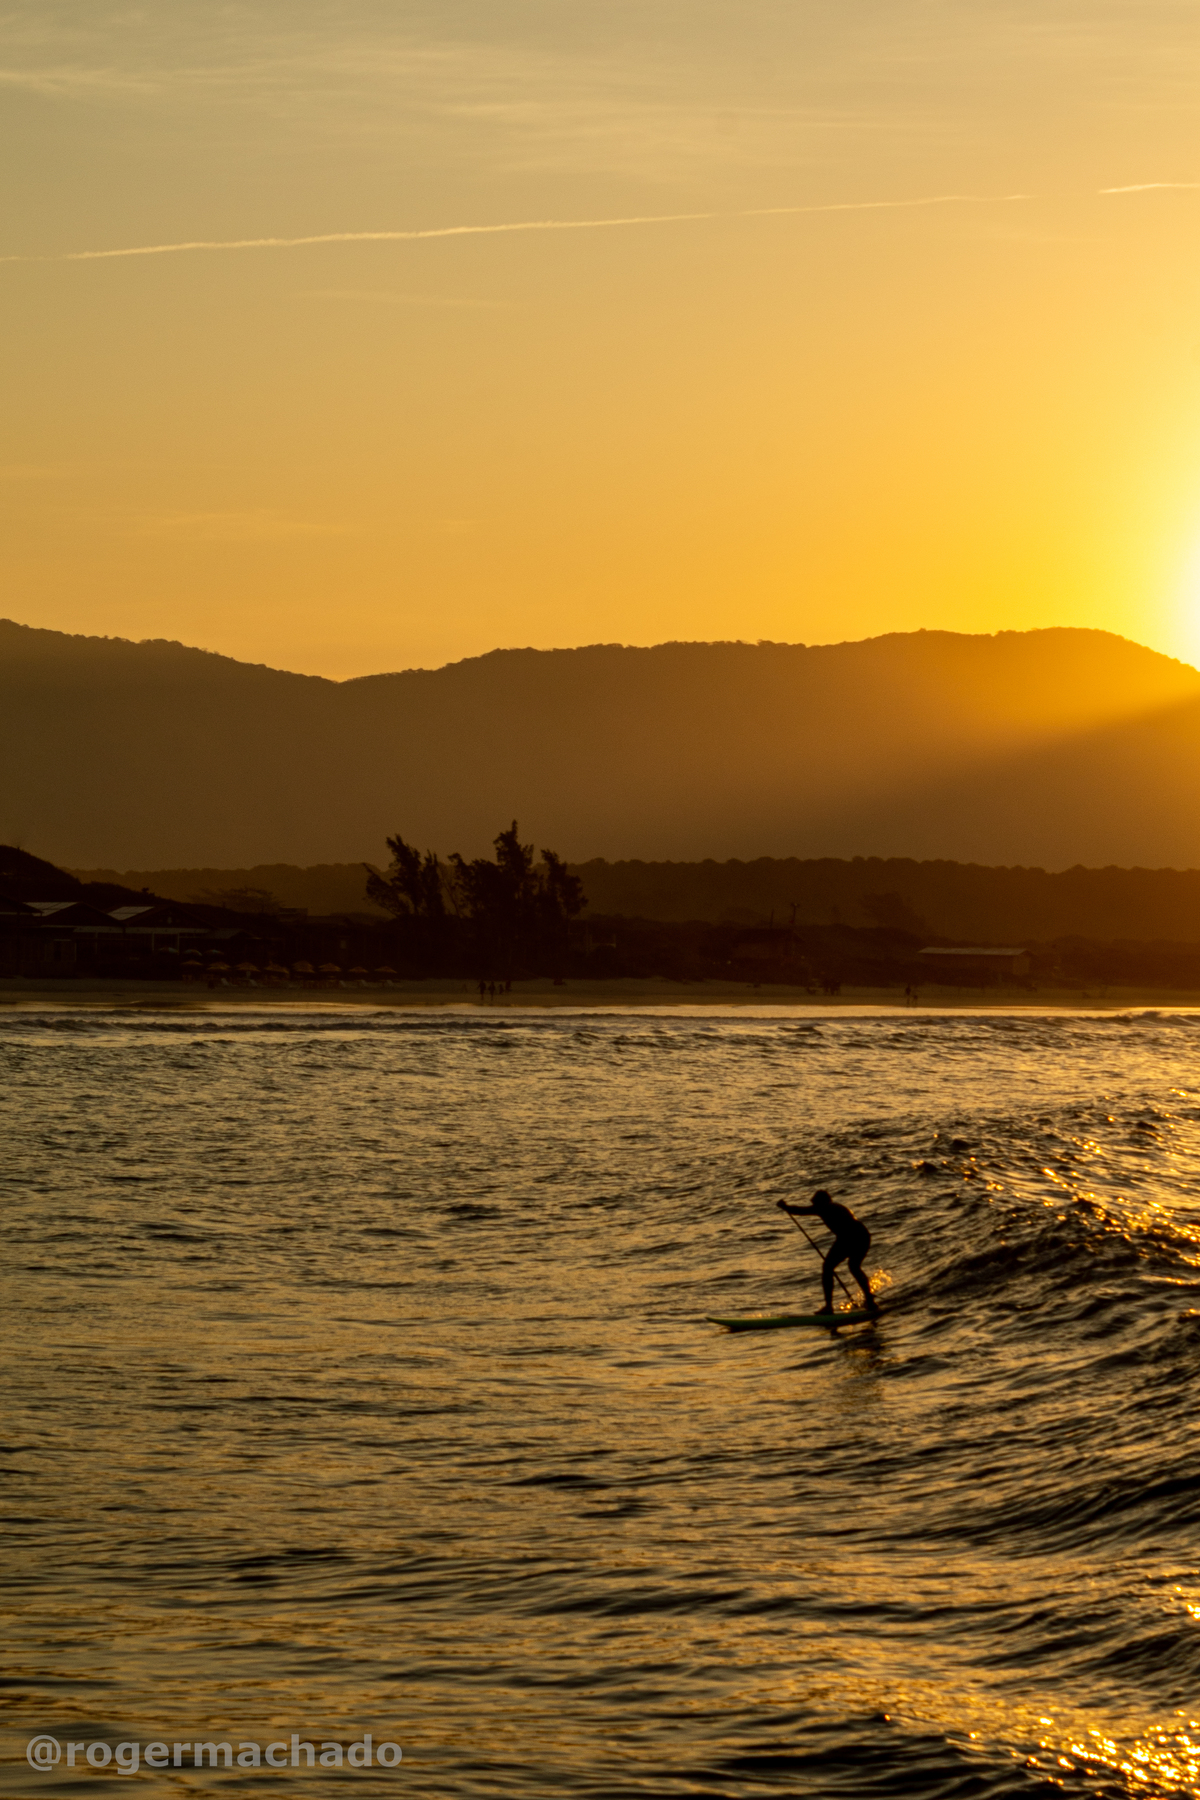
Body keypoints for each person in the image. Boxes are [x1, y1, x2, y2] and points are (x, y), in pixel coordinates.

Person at [777, 1190, 877, 1316]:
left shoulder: (825, 1207)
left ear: (822, 1201)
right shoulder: (833, 1206)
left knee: (828, 1268)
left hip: (850, 1236)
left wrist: (785, 1207)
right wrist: (787, 1208)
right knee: (854, 1267)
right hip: (862, 1235)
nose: (814, 1206)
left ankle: (829, 1307)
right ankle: (870, 1300)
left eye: (815, 1202)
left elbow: (802, 1211)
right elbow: (804, 1210)